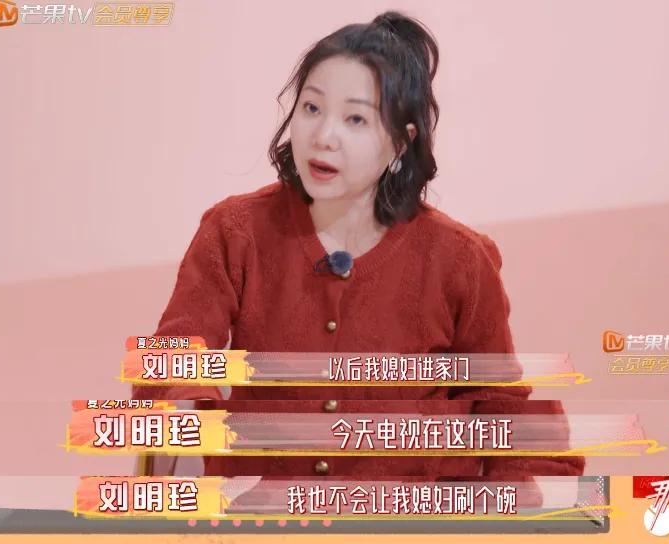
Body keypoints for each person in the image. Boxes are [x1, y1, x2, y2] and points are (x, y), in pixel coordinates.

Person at [132, 11, 584, 489]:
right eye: (311, 108)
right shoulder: (236, 230)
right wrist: (192, 409)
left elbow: (504, 408)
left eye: (355, 119)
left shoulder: (460, 259)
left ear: (400, 142)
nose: (324, 136)